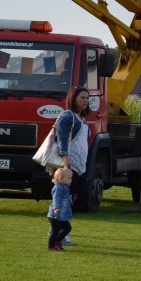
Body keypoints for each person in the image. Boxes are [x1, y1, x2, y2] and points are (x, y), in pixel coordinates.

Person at [56, 85, 90, 244]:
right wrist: (65, 159)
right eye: (82, 97)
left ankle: (59, 226)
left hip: (81, 166)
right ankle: (60, 231)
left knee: (82, 196)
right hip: (70, 165)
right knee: (65, 198)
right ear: (73, 99)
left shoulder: (81, 118)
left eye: (87, 98)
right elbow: (62, 137)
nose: (85, 100)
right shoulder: (67, 116)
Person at [47, 167, 74, 252]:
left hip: (62, 215)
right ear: (60, 178)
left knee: (67, 228)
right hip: (55, 215)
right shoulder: (58, 188)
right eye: (69, 178)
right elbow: (56, 198)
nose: (70, 180)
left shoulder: (65, 187)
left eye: (71, 178)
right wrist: (56, 208)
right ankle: (51, 246)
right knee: (55, 231)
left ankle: (57, 242)